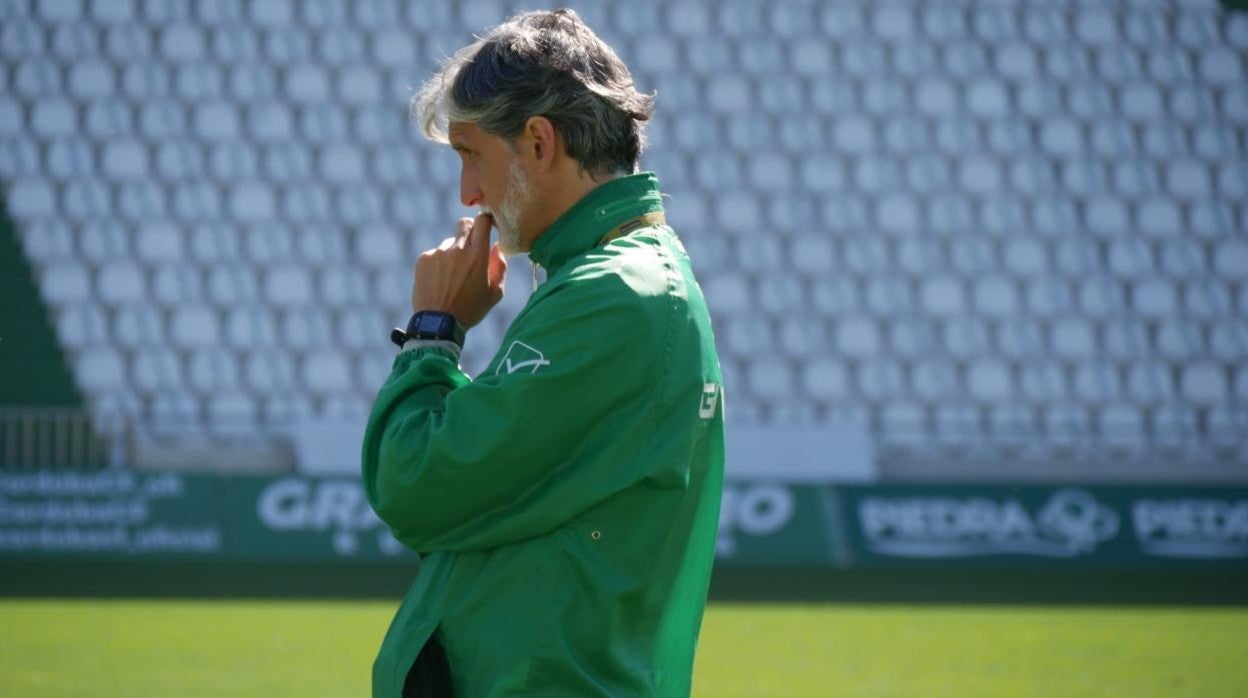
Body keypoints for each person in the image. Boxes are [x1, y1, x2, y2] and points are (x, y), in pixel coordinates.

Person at [360, 9, 724, 697]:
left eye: (470, 154)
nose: (467, 193)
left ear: (537, 142)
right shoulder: (615, 278)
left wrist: (432, 334)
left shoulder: (614, 295)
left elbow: (417, 485)